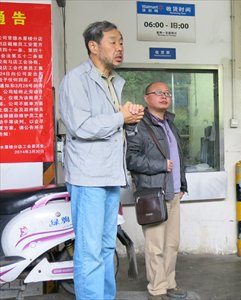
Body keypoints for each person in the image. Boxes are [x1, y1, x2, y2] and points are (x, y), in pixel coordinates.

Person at [58, 21, 144, 299]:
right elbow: (80, 126)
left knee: (107, 247)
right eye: (113, 42)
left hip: (109, 175)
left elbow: (109, 127)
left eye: (121, 42)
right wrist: (121, 117)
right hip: (88, 178)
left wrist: (128, 119)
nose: (120, 48)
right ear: (93, 47)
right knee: (90, 248)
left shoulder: (112, 82)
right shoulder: (76, 79)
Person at [126, 82, 188, 300]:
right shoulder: (138, 125)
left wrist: (183, 185)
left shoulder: (171, 124)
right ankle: (157, 289)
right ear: (146, 98)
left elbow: (180, 157)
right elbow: (131, 159)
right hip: (153, 193)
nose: (164, 96)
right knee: (155, 246)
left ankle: (169, 284)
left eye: (168, 93)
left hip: (174, 192)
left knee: (172, 244)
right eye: (159, 93)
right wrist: (161, 165)